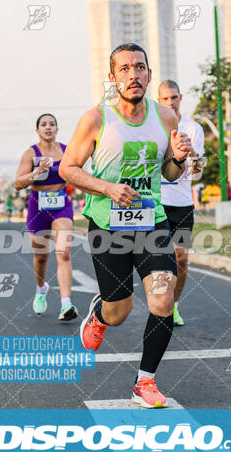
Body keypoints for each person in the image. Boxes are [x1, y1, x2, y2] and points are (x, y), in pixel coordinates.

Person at [59, 43, 192, 408]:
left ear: (149, 74)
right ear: (113, 77)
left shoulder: (165, 117)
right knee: (120, 312)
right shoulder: (96, 119)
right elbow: (67, 168)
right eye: (125, 69)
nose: (134, 75)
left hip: (152, 221)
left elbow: (168, 172)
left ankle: (145, 381)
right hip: (107, 225)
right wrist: (107, 189)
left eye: (140, 68)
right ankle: (100, 313)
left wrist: (179, 159)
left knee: (163, 298)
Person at [14, 113, 77, 321]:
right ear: (37, 130)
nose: (48, 127)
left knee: (64, 253)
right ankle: (41, 289)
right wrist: (36, 172)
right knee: (41, 256)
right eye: (43, 124)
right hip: (37, 205)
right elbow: (18, 183)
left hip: (61, 205)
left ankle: (66, 304)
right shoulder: (30, 153)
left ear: (57, 129)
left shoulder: (67, 151)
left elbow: (78, 174)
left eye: (52, 124)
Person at [157, 80, 204, 326]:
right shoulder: (153, 126)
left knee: (181, 258)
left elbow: (198, 174)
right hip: (156, 203)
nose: (170, 103)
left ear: (181, 98)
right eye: (165, 99)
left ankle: (173, 305)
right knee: (158, 259)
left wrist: (193, 155)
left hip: (183, 204)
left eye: (174, 97)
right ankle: (159, 304)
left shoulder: (193, 128)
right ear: (158, 100)